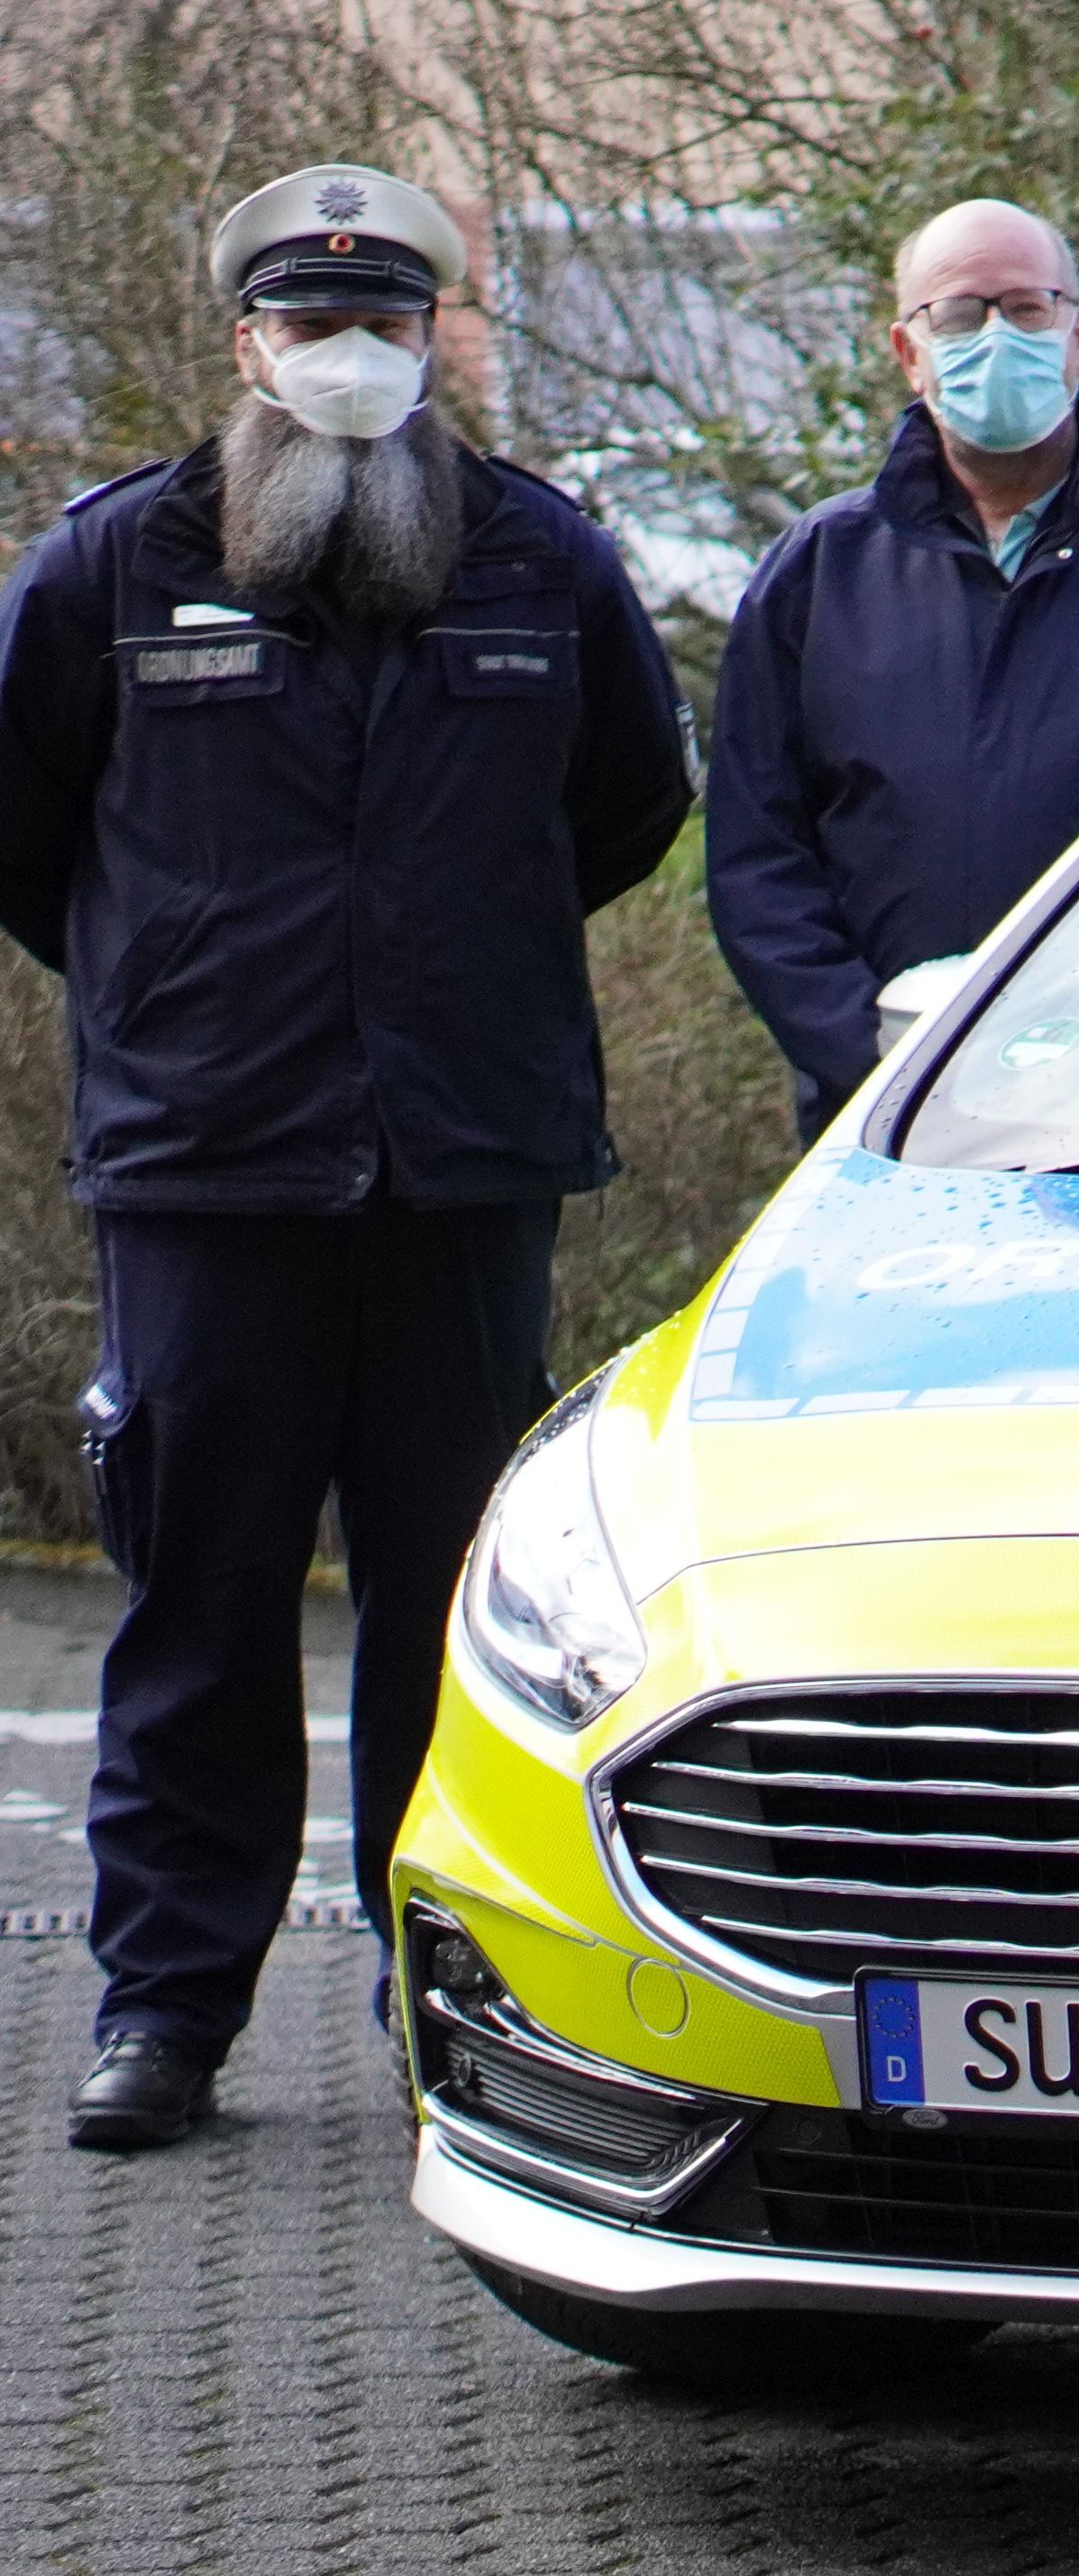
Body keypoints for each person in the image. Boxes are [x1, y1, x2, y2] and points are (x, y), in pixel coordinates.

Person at [0, 165, 693, 2152]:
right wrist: (178, 992)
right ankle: (163, 2008)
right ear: (248, 349)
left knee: (449, 1599)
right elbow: (25, 837)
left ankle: (447, 1999)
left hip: (466, 1165)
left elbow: (627, 809)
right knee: (197, 1598)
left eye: (385, 326)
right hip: (208, 1170)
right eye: (311, 329)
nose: (350, 362)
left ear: (435, 341)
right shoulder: (117, 566)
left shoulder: (539, 563)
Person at [707, 199, 1079, 1131]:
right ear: (907, 351)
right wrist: (868, 1055)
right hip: (880, 1117)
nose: (997, 337)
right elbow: (756, 856)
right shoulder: (820, 571)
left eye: (1026, 309)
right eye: (961, 316)